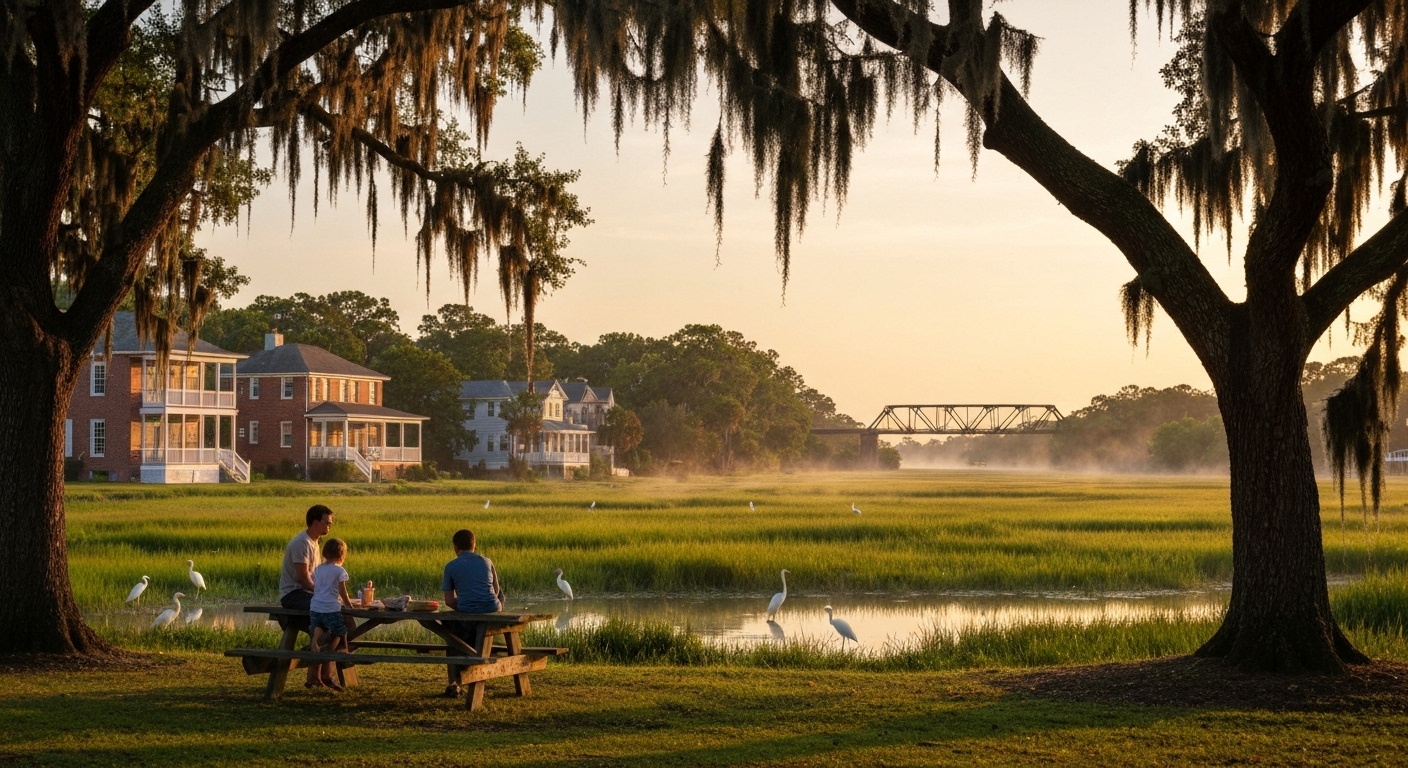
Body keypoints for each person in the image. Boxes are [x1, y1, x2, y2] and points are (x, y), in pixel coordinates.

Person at [279, 504, 354, 687]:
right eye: (327, 522)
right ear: (315, 522)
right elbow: (304, 579)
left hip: (308, 594)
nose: (329, 526)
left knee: (341, 619)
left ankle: (322, 674)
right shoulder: (301, 543)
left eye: (330, 523)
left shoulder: (314, 542)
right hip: (294, 595)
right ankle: (323, 674)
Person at [440, 529, 505, 697]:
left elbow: (449, 601)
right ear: (474, 545)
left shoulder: (451, 566)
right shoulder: (487, 562)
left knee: (452, 639)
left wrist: (467, 604)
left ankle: (455, 683)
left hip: (468, 616)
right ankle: (470, 665)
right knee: (476, 633)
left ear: (455, 548)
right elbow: (497, 592)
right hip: (493, 612)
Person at [308, 538, 354, 691]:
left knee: (318, 625)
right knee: (340, 630)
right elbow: (342, 590)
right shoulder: (339, 571)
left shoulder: (319, 569)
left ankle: (315, 641)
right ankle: (342, 649)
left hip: (315, 606)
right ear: (341, 555)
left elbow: (317, 585)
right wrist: (347, 603)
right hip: (330, 607)